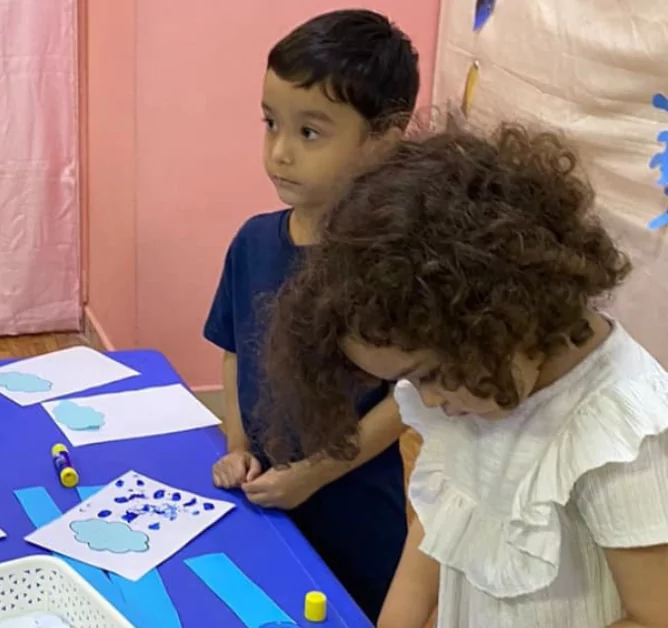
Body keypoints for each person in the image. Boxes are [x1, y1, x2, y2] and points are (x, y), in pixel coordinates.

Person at [264, 123, 668, 628]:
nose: (426, 402)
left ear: (502, 313)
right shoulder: (475, 393)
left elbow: (656, 617)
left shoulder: (624, 435)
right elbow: (438, 528)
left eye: (428, 374)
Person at [203, 9, 418, 620]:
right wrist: (238, 444)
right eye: (271, 124)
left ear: (385, 136)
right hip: (262, 500)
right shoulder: (252, 242)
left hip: (353, 516)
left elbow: (410, 399)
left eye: (310, 133)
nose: (280, 153)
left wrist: (316, 475)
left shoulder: (390, 262)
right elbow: (235, 350)